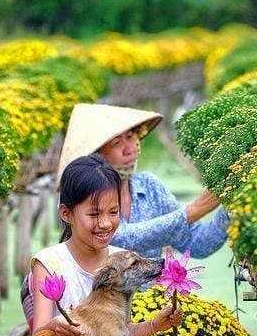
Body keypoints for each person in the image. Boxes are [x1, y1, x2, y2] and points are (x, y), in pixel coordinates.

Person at [23, 154, 182, 336]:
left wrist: (155, 325)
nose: (105, 223)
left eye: (113, 212)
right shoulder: (49, 263)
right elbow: (37, 334)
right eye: (94, 214)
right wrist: (55, 325)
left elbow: (119, 333)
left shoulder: (121, 260)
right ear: (66, 213)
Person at [56, 103, 228, 259]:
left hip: (152, 294)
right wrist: (195, 209)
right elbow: (122, 239)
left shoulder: (149, 186)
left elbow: (197, 244)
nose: (130, 149)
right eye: (117, 143)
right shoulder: (80, 197)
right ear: (95, 154)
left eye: (131, 137)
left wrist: (231, 209)